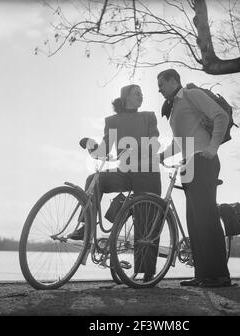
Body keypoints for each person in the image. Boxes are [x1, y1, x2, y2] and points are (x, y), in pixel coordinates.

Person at [69, 84, 161, 281]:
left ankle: (147, 273)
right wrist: (90, 145)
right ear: (126, 97)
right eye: (137, 93)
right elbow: (103, 151)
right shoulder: (112, 121)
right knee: (94, 179)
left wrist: (140, 150)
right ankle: (87, 225)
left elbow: (155, 142)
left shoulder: (148, 117)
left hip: (148, 172)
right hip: (126, 172)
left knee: (146, 221)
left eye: (142, 94)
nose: (141, 96)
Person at [157, 69, 231, 287]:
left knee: (206, 217)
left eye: (161, 84)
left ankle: (219, 276)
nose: (159, 89)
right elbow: (181, 141)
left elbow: (221, 116)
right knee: (194, 221)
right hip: (189, 164)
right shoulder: (176, 107)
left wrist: (212, 148)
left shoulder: (191, 94)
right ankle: (203, 274)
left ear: (173, 81)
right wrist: (162, 155)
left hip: (203, 160)